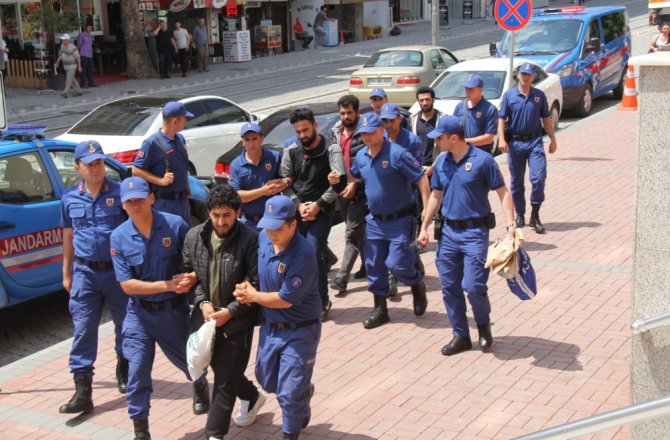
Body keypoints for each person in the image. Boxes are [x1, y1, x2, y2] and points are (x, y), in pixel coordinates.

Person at [110, 176, 210, 440]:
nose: (136, 205)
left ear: (152, 198)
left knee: (189, 361)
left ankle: (200, 384)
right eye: (129, 201)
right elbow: (127, 285)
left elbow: (194, 261)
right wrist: (166, 284)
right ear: (123, 205)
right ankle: (140, 428)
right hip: (138, 314)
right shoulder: (118, 237)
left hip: (171, 312)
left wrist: (191, 278)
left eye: (140, 199)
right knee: (137, 369)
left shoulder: (175, 225)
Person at [418, 116, 516, 356]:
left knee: (473, 286)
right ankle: (460, 335)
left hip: (475, 233)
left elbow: (503, 193)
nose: (436, 142)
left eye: (440, 138)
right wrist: (424, 226)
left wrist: (511, 223)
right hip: (449, 233)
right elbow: (435, 196)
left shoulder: (483, 161)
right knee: (449, 286)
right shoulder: (441, 162)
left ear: (453, 138)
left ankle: (483, 328)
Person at [234, 194, 321, 440]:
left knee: (288, 392)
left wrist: (252, 296)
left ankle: (290, 431)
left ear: (294, 225)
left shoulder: (303, 254)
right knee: (266, 379)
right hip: (271, 327)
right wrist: (245, 286)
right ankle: (303, 393)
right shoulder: (263, 238)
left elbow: (286, 298)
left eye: (278, 229)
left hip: (300, 329)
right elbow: (254, 271)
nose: (272, 233)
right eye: (268, 227)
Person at [182, 184, 266, 440]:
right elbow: (190, 278)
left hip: (238, 319)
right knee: (222, 369)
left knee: (224, 383)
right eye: (216, 215)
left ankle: (214, 435)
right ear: (208, 212)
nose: (221, 221)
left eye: (227, 215)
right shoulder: (193, 237)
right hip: (205, 316)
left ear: (238, 212)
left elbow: (258, 285)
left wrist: (230, 311)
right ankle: (252, 397)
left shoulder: (251, 240)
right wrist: (202, 303)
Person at [58, 141, 129, 415]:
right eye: (90, 163)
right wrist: (66, 273)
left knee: (125, 325)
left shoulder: (121, 192)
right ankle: (83, 390)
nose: (96, 168)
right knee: (83, 330)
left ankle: (124, 366)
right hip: (85, 273)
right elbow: (68, 236)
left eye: (99, 162)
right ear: (78, 168)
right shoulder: (69, 198)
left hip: (116, 271)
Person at [344, 113, 429, 329]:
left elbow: (421, 178)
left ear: (381, 130)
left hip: (400, 220)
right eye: (363, 133)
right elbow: (356, 175)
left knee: (398, 264)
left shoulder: (398, 154)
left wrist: (427, 211)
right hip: (374, 221)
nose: (367, 137)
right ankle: (380, 309)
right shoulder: (362, 155)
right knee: (374, 265)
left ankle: (416, 283)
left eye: (372, 132)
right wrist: (349, 182)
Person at [281, 107, 346, 321]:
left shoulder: (331, 148)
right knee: (296, 255)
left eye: (306, 130)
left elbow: (340, 183)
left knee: (312, 252)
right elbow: (285, 184)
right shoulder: (291, 150)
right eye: (298, 132)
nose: (302, 136)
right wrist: (298, 205)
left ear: (315, 126)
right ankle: (300, 297)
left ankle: (322, 300)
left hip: (323, 210)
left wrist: (317, 205)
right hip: (298, 211)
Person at [498, 63, 557, 234]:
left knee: (538, 178)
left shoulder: (538, 95)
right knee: (516, 181)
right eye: (523, 74)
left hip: (534, 141)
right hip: (515, 143)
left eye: (529, 74)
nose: (526, 77)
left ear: (533, 77)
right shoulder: (509, 96)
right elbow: (501, 119)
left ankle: (535, 215)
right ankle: (520, 215)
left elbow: (545, 118)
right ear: (518, 75)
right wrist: (501, 139)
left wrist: (553, 139)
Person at [379, 102, 425, 295]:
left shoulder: (412, 141)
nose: (388, 124)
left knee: (402, 241)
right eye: (384, 121)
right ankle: (407, 268)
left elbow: (416, 174)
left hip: (406, 198)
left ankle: (397, 276)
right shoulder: (379, 138)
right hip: (385, 200)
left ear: (399, 119)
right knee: (396, 243)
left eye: (391, 120)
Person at [329, 95, 367, 295]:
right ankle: (369, 265)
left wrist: (356, 182)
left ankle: (341, 278)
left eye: (349, 113)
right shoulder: (335, 132)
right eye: (342, 113)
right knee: (359, 232)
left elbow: (371, 163)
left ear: (357, 112)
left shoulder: (365, 133)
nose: (345, 117)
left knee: (351, 234)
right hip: (342, 191)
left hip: (362, 190)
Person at [132, 101, 192, 225]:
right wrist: (160, 181)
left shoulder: (180, 139)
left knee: (185, 238)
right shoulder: (152, 143)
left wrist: (187, 186)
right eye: (184, 118)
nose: (186, 121)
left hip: (182, 202)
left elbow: (182, 166)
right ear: (175, 121)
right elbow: (136, 170)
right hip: (165, 203)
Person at [229, 122, 286, 231]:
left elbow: (287, 180)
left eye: (254, 139)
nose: (251, 143)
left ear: (261, 139)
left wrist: (281, 183)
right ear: (242, 142)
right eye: (247, 140)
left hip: (274, 219)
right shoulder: (236, 165)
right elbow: (236, 196)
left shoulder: (275, 157)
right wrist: (264, 191)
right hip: (250, 223)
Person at [453, 74, 498, 155]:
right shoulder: (460, 106)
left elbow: (488, 138)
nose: (468, 92)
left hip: (481, 154)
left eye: (471, 89)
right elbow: (453, 128)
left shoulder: (490, 109)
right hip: (461, 154)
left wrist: (465, 142)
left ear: (481, 90)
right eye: (466, 88)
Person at [409, 86, 444, 174]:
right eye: (421, 100)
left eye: (427, 99)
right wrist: (416, 165)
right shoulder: (413, 119)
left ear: (433, 100)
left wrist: (433, 168)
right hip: (418, 168)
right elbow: (409, 145)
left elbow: (446, 147)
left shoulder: (442, 119)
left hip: (437, 168)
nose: (425, 103)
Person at [55, 34, 82, 99]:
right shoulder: (62, 46)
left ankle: (65, 92)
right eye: (62, 40)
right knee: (72, 79)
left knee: (68, 78)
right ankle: (79, 91)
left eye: (64, 40)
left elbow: (78, 57)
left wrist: (79, 66)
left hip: (72, 65)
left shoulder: (73, 47)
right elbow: (60, 56)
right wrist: (57, 63)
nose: (63, 41)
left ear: (68, 40)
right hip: (66, 66)